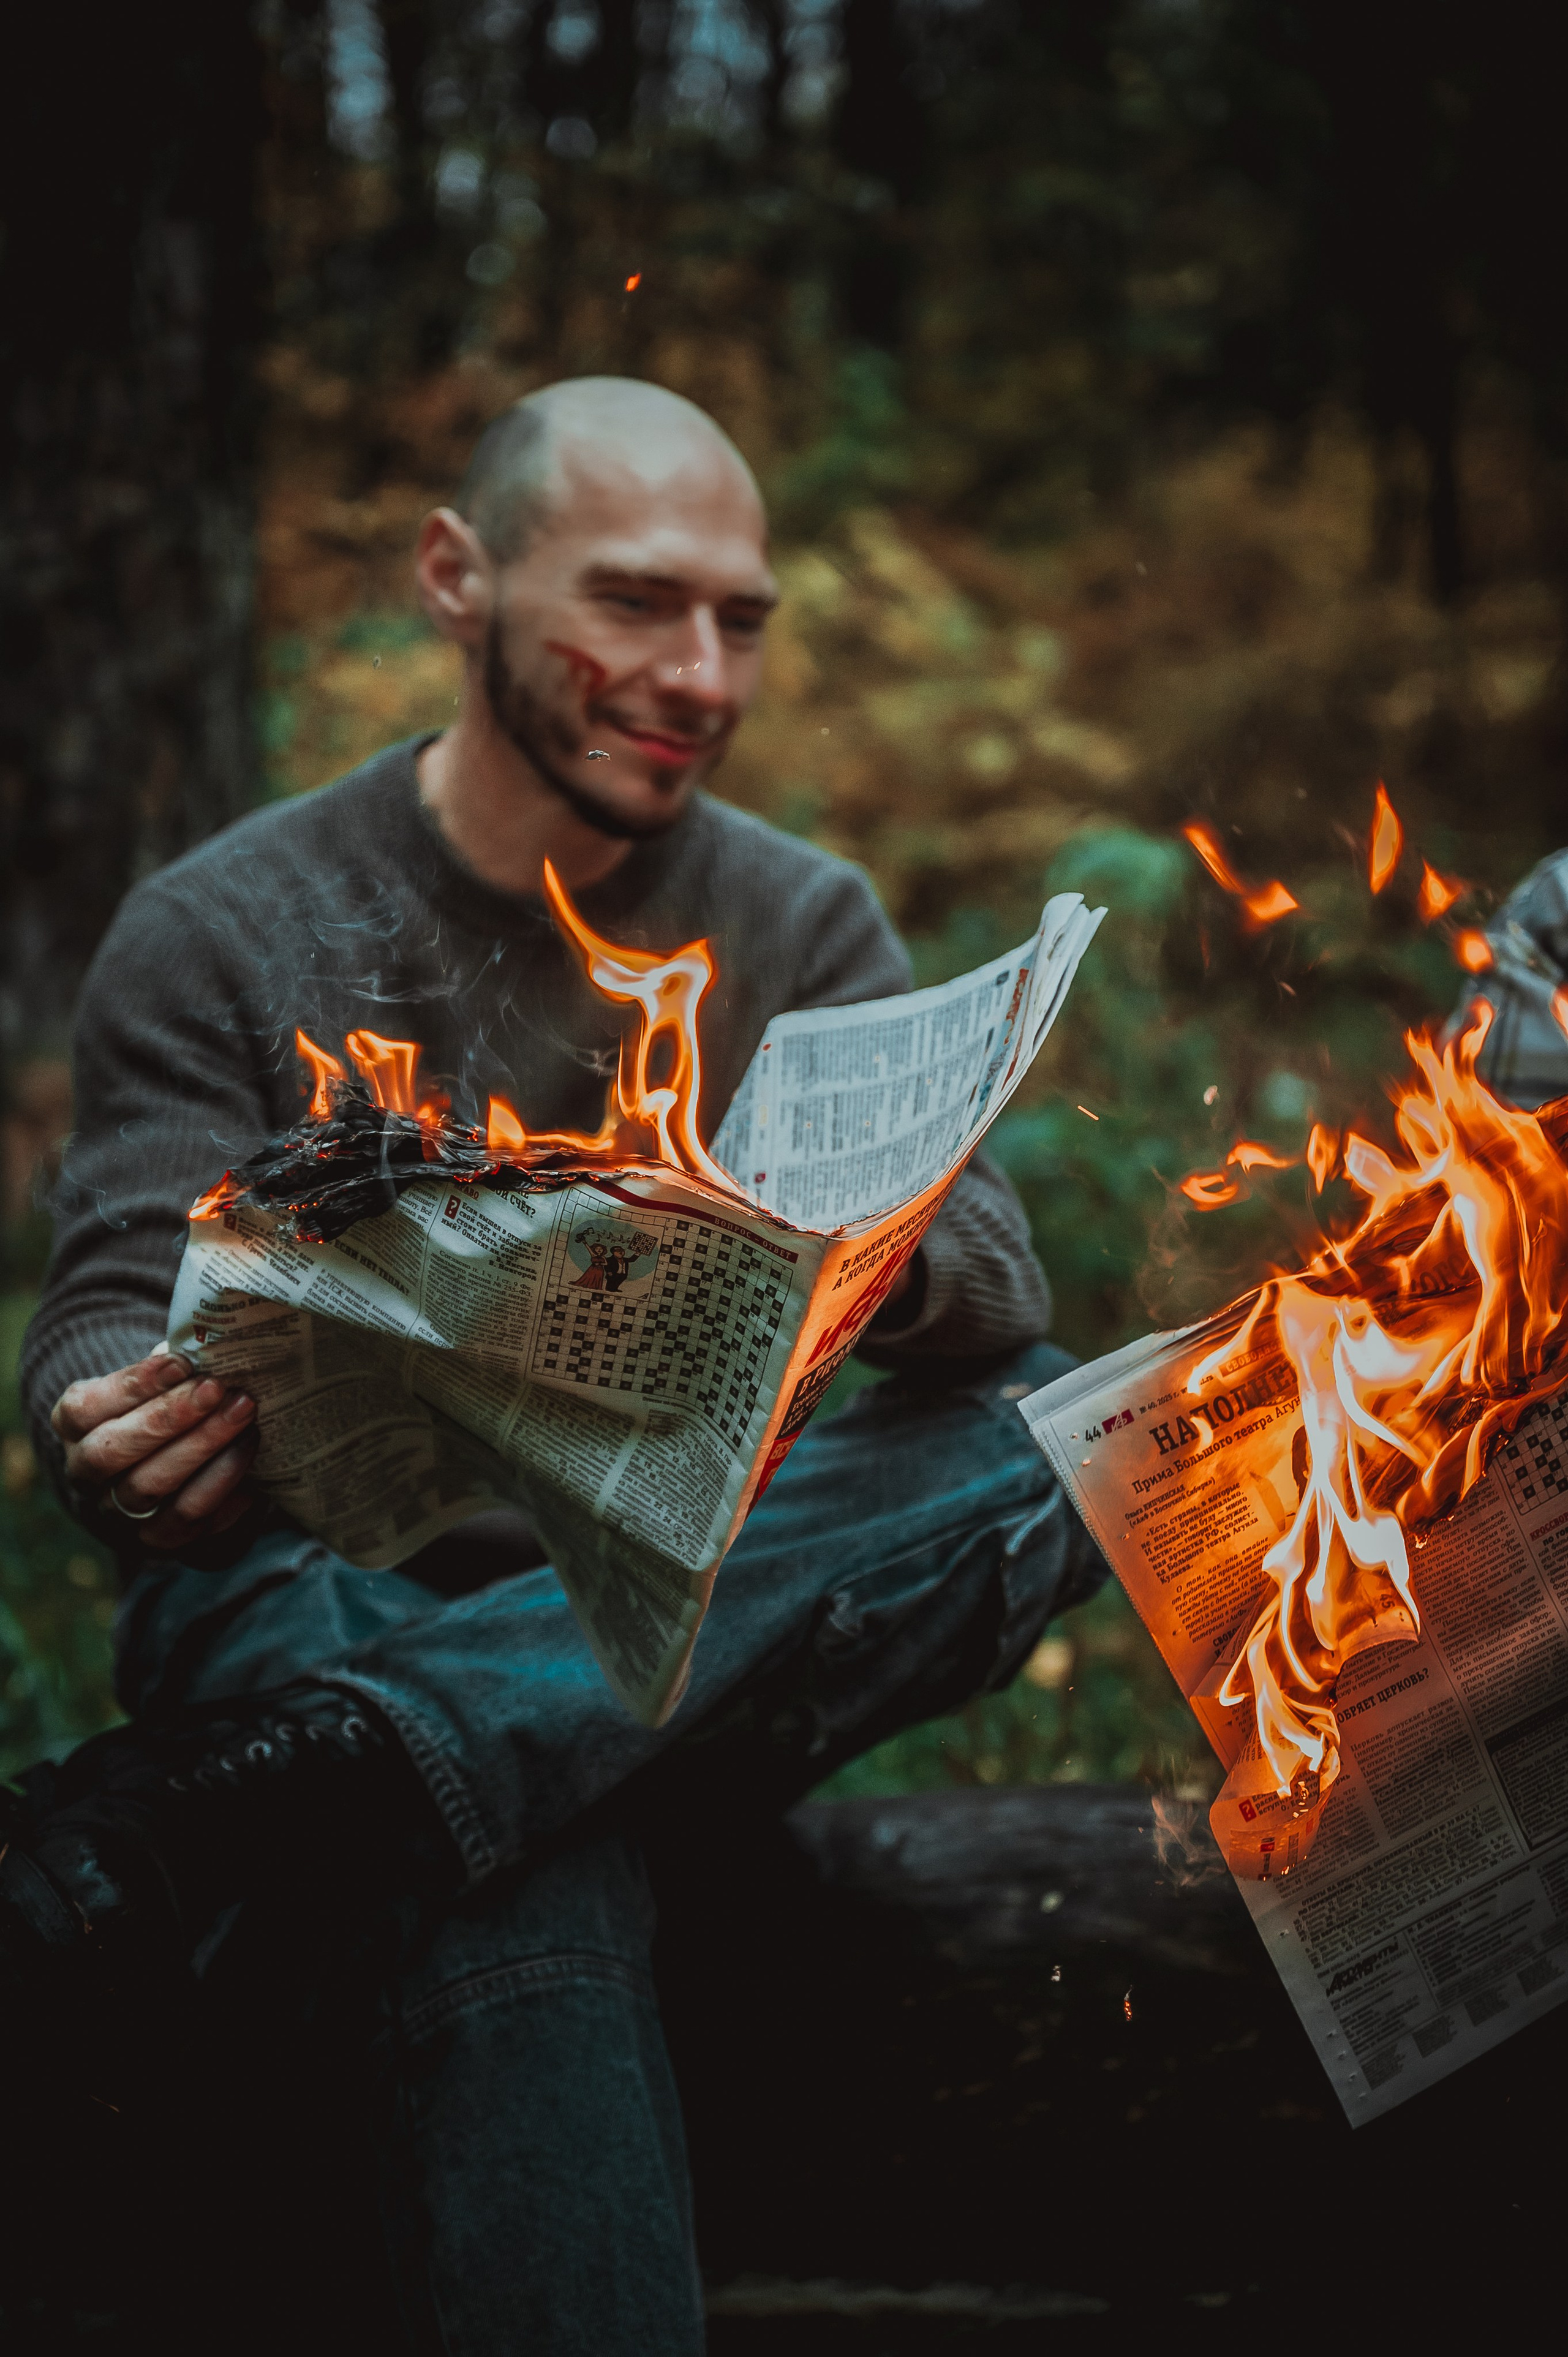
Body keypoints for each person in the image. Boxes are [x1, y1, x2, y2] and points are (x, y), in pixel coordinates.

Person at [4, 378, 1104, 2352]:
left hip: (674, 1610)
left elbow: (998, 1283)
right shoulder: (225, 923)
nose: (701, 676)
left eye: (742, 620)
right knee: (517, 1851)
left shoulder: (794, 916)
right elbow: (108, 1300)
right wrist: (105, 1426)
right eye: (636, 602)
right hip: (312, 1592)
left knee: (1067, 1422)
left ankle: (289, 1793)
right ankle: (394, 1755)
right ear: (460, 577)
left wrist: (834, 1253)